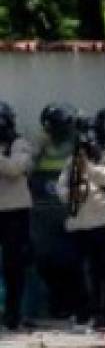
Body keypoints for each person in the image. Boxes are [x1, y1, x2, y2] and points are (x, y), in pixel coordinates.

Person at [56, 116, 105, 329]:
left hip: (103, 222)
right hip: (79, 223)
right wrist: (71, 194)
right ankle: (84, 310)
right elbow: (61, 187)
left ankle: (104, 313)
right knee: (81, 271)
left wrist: (89, 166)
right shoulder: (73, 161)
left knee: (103, 271)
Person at [31, 103, 82, 319]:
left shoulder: (76, 143)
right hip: (44, 215)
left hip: (70, 212)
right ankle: (57, 306)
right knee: (47, 262)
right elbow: (27, 172)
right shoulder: (38, 145)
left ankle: (75, 306)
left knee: (73, 261)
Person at [0, 103, 33, 330]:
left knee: (14, 265)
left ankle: (14, 313)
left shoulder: (20, 144)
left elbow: (14, 169)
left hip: (14, 211)